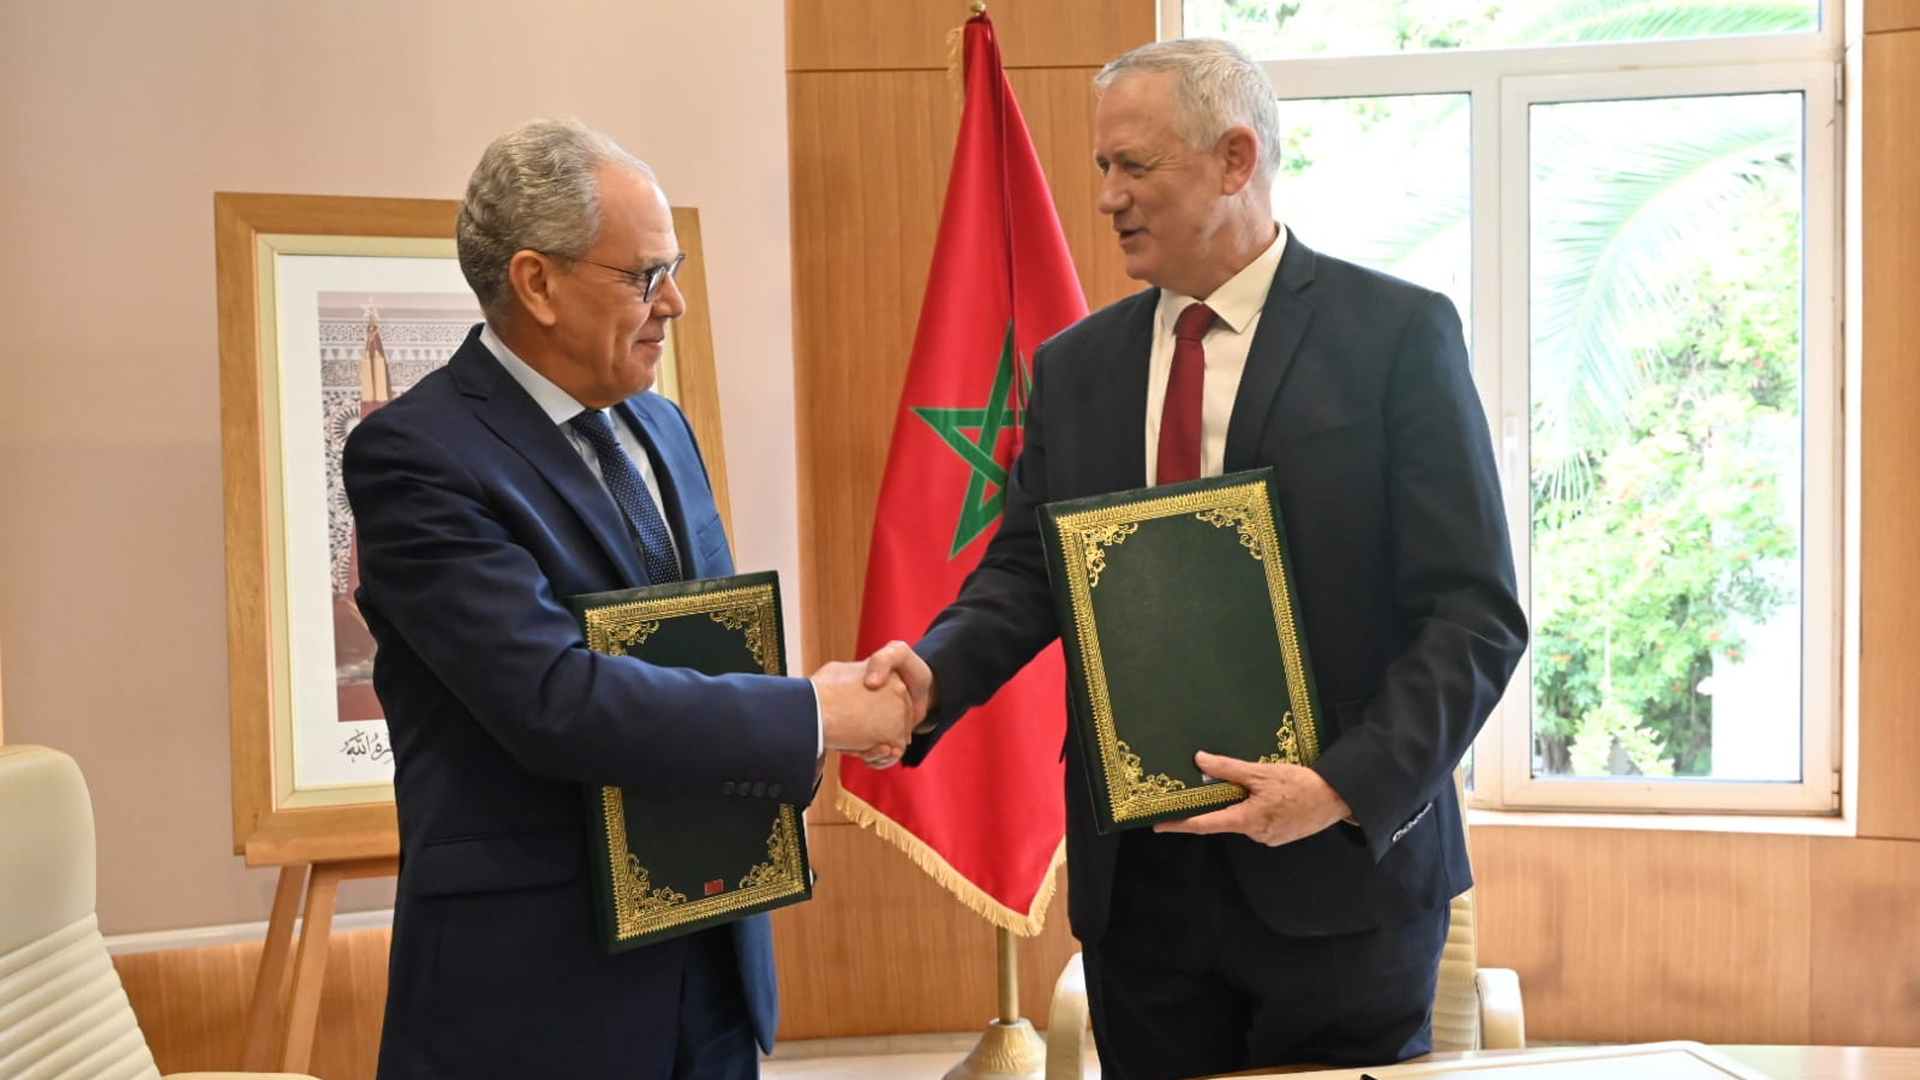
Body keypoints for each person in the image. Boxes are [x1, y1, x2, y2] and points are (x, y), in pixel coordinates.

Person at [861, 39, 1528, 1080]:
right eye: (1100, 169)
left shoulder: (1397, 336)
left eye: (1135, 166)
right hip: (1145, 900)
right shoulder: (1077, 367)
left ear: (1233, 159)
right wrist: (936, 671)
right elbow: (1031, 570)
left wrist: (1338, 787)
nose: (1109, 198)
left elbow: (1475, 617)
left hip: (1337, 884)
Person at [343, 119, 911, 1080]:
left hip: (713, 956)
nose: (675, 303)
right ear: (537, 283)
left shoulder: (661, 426)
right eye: (645, 275)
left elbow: (711, 656)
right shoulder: (417, 456)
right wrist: (817, 713)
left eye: (673, 268)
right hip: (538, 1000)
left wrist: (821, 716)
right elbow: (551, 701)